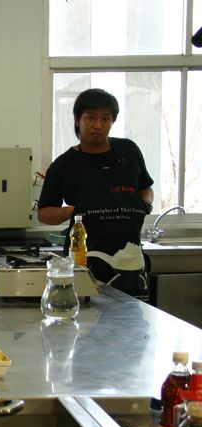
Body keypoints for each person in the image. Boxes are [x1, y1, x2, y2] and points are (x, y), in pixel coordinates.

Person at [37, 88, 154, 298]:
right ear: (77, 120)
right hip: (85, 265)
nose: (98, 125)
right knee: (87, 316)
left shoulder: (128, 151)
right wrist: (75, 211)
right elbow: (44, 214)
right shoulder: (64, 165)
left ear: (112, 121)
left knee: (134, 316)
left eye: (105, 118)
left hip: (132, 264)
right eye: (91, 118)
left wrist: (145, 204)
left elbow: (146, 188)